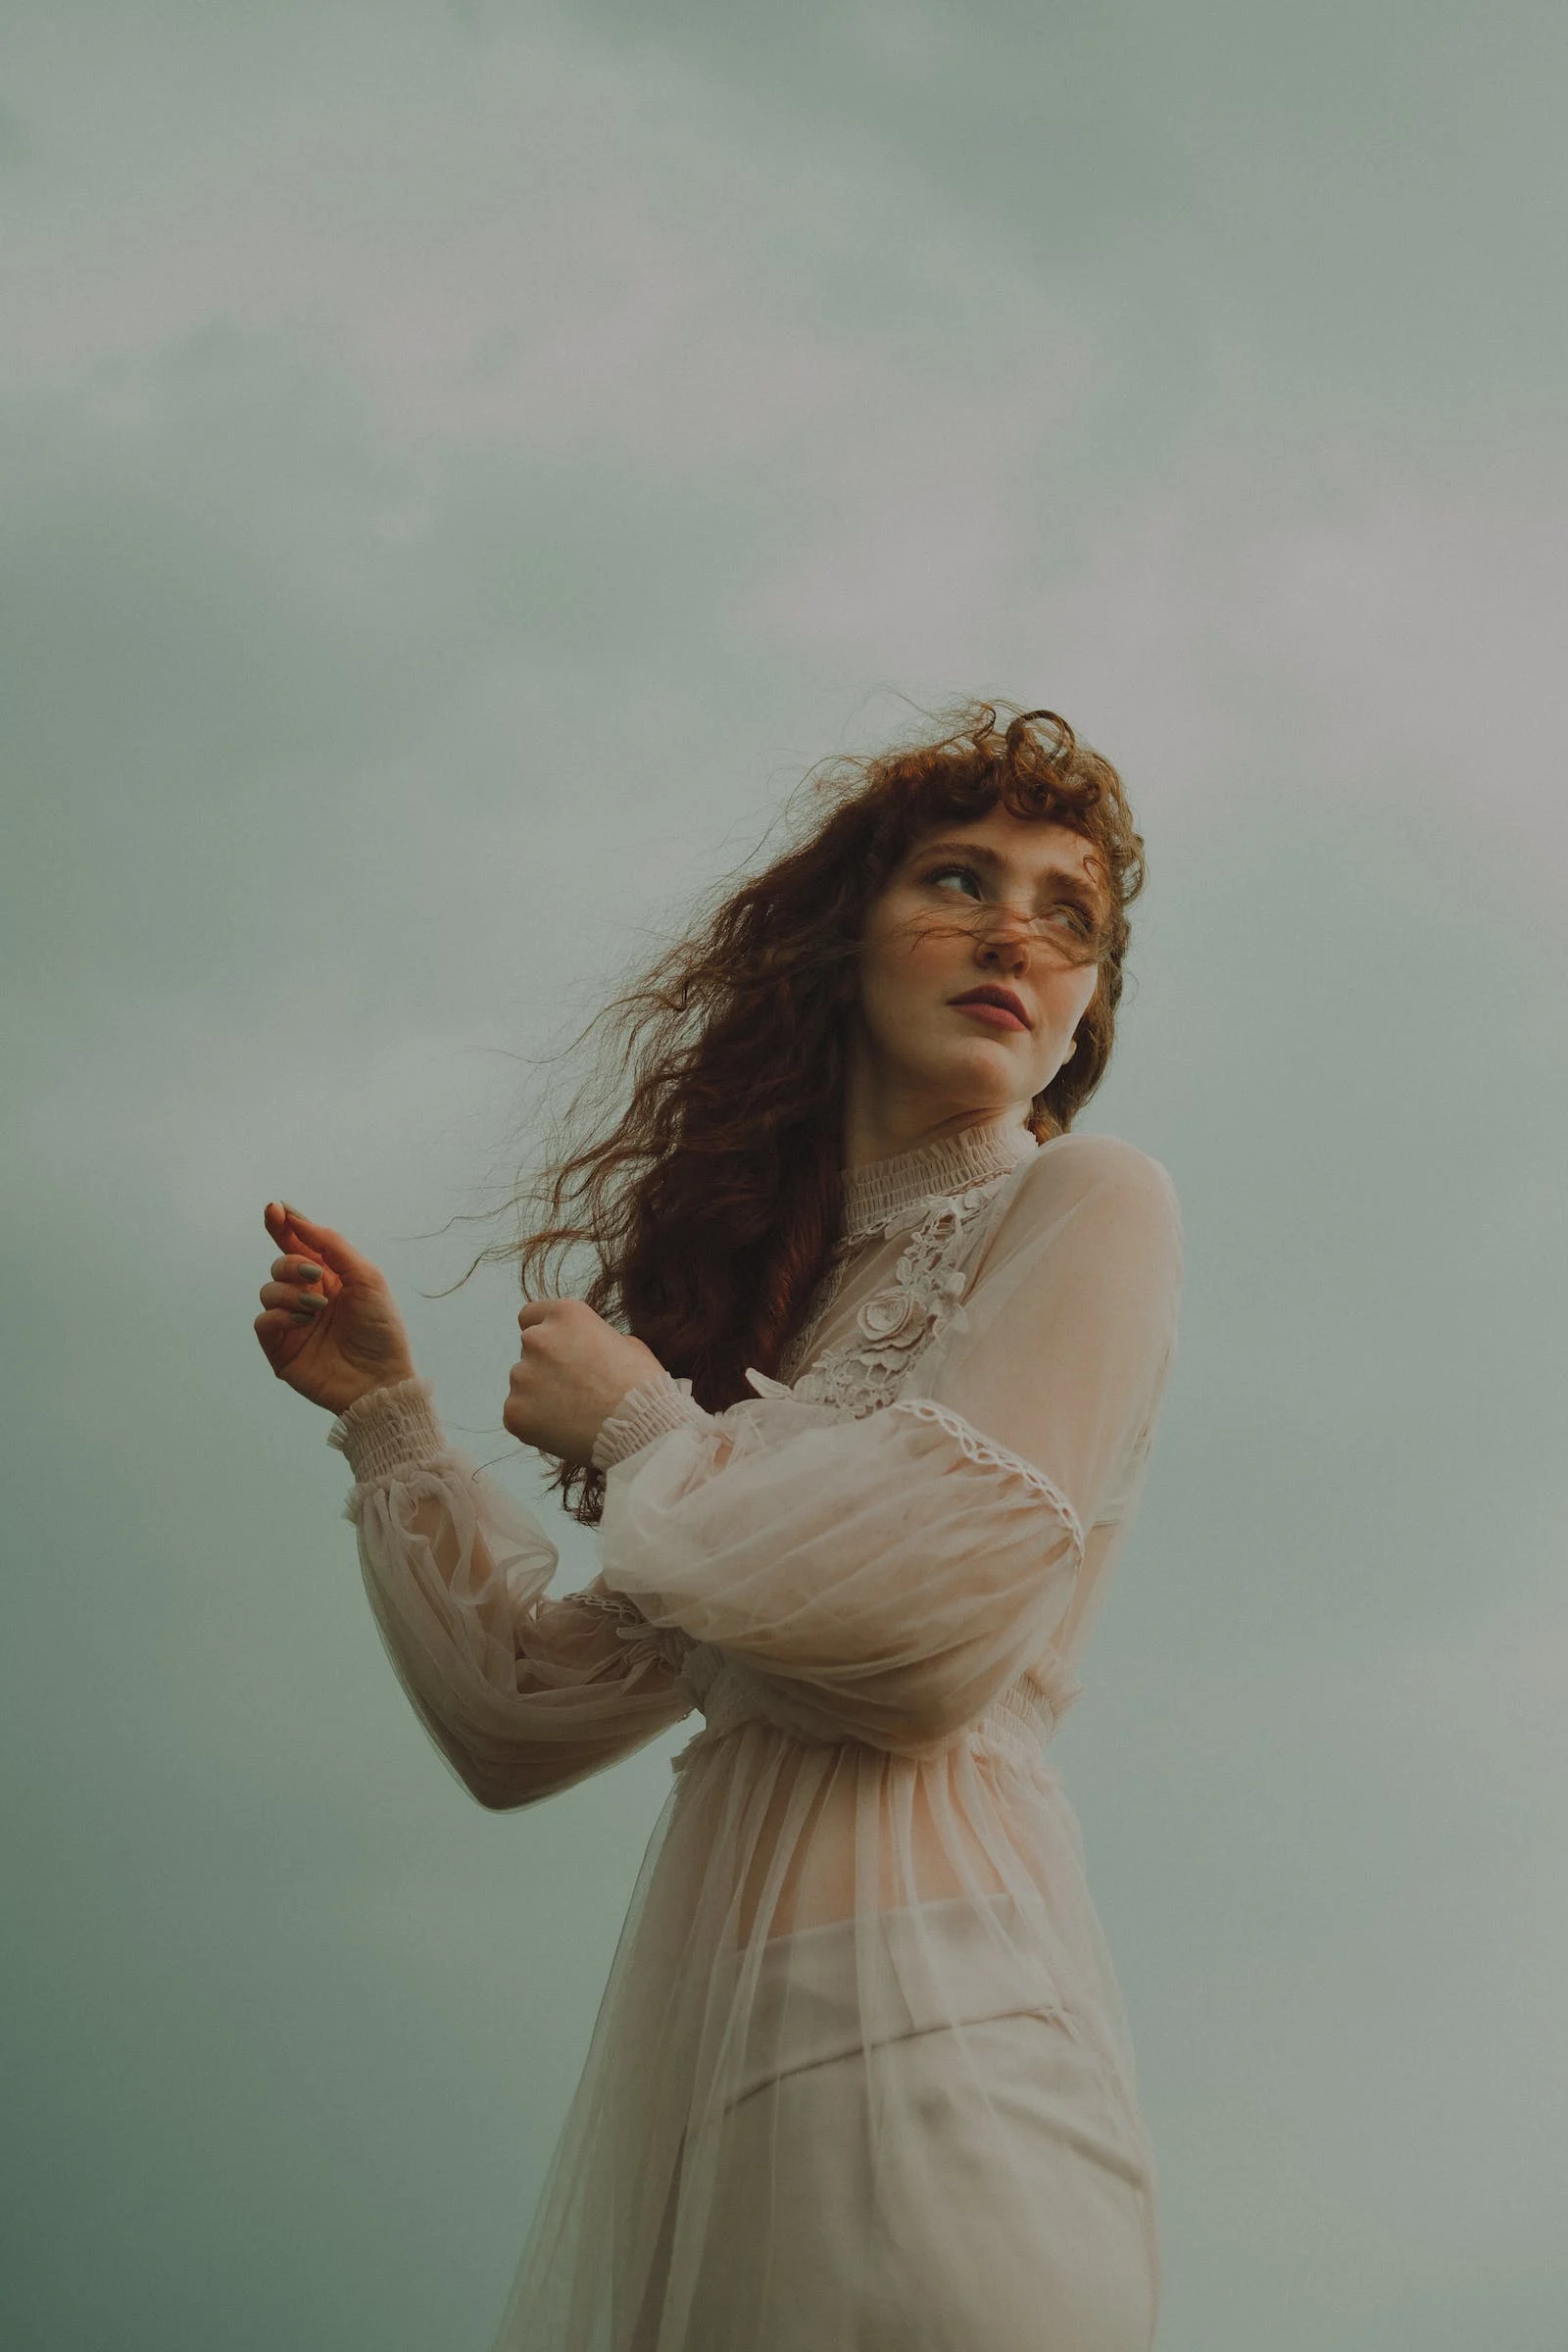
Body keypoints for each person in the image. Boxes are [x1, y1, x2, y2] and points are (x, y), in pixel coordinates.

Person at [254, 703, 1184, 2352]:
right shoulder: (787, 1345)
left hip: (955, 2022)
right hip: (723, 2069)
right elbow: (517, 1719)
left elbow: (929, 1640)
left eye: (1071, 915)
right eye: (963, 880)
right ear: (839, 952)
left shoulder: (1089, 1204)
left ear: (1082, 1012)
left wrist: (638, 1424)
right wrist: (387, 1412)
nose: (1017, 935)